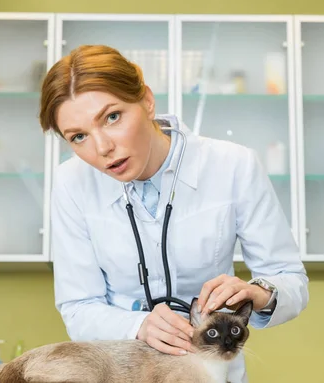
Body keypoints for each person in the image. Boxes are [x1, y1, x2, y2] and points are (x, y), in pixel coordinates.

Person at [40, 44, 309, 383]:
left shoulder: (233, 165)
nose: (102, 148)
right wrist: (138, 325)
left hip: (210, 371)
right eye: (79, 137)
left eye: (112, 117)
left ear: (147, 101)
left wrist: (260, 293)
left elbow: (290, 278)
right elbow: (78, 306)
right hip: (124, 372)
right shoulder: (71, 182)